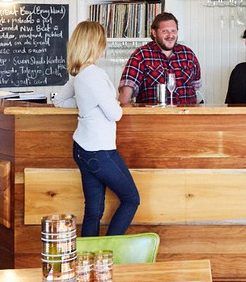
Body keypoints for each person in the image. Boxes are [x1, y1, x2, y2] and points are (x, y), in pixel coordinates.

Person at [53, 21, 139, 237]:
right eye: (102, 41)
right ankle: (108, 251)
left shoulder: (78, 74)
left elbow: (59, 102)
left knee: (93, 211)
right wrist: (105, 103)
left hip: (83, 149)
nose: (104, 46)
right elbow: (115, 114)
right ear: (96, 44)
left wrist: (87, 103)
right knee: (131, 199)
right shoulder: (94, 74)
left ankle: (88, 256)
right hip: (99, 151)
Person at [118, 12, 202, 105]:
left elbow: (196, 86)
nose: (170, 35)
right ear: (154, 33)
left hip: (187, 113)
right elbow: (125, 94)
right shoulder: (141, 55)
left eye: (173, 31)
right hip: (153, 114)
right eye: (165, 31)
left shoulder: (188, 54)